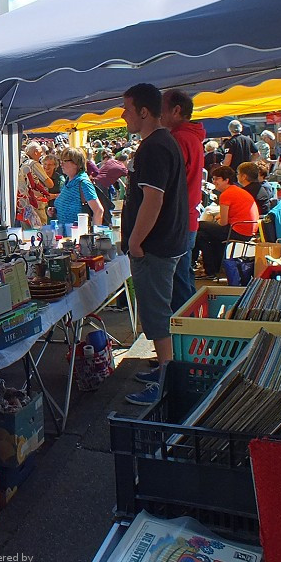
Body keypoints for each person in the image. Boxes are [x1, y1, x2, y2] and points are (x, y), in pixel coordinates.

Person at [119, 84, 188, 407]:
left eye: (127, 109)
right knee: (158, 313)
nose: (123, 115)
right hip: (163, 243)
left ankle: (166, 381)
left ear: (144, 112)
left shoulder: (155, 146)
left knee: (158, 316)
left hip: (155, 246)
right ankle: (164, 372)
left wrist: (135, 241)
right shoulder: (161, 143)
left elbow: (154, 199)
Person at [161, 89, 206, 314]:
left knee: (178, 285)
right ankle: (193, 332)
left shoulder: (178, 138)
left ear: (176, 110)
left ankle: (186, 338)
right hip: (187, 218)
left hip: (179, 220)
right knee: (184, 278)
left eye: (162, 107)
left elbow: (167, 184)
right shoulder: (190, 137)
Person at [196, 166, 259, 280]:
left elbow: (223, 223)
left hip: (237, 230)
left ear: (226, 180)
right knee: (202, 235)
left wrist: (218, 220)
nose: (214, 182)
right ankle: (210, 270)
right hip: (247, 230)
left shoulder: (226, 194)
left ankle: (204, 268)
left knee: (198, 226)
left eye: (216, 179)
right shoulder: (237, 191)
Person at [50, 147, 104, 231]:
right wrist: (55, 210)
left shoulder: (83, 183)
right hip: (66, 235)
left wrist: (94, 236)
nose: (61, 164)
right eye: (61, 160)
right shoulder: (68, 181)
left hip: (78, 237)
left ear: (76, 163)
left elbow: (98, 210)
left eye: (65, 161)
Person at [17, 142, 53, 229]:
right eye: (40, 153)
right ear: (36, 152)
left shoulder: (19, 162)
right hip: (36, 204)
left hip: (22, 204)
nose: (41, 155)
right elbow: (49, 184)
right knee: (40, 233)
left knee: (27, 234)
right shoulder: (33, 163)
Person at [95, 150, 129, 226]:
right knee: (105, 205)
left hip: (96, 182)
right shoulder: (122, 168)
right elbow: (130, 176)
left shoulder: (111, 161)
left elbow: (112, 173)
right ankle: (107, 224)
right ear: (125, 161)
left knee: (101, 204)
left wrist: (123, 184)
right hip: (103, 185)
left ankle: (104, 222)